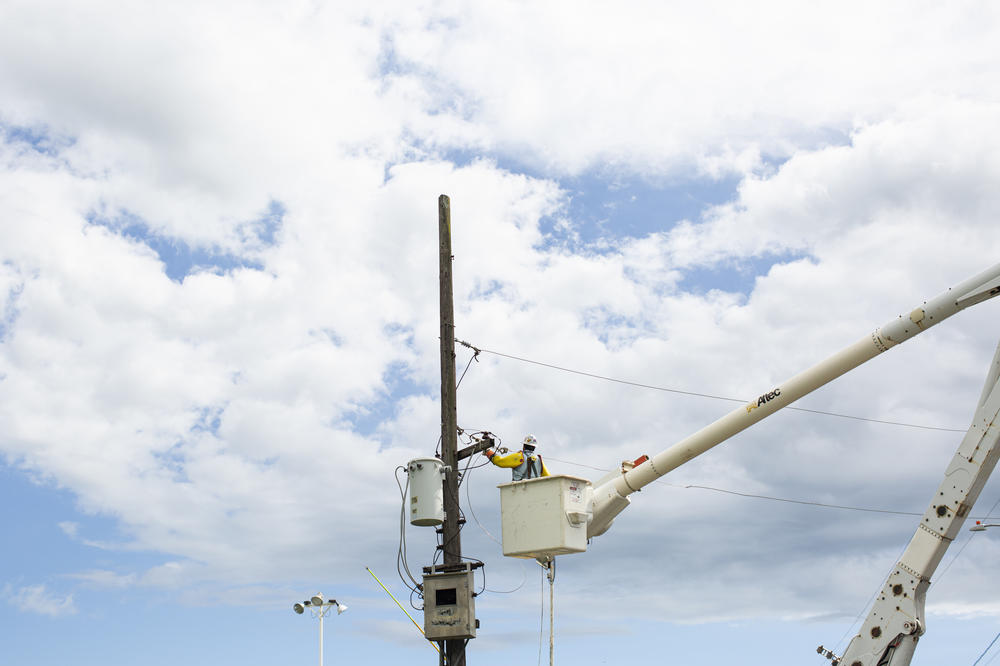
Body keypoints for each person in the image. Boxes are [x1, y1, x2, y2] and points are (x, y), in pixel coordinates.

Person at [485, 434, 550, 481]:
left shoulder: (519, 456)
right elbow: (548, 477)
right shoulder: (539, 460)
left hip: (520, 490)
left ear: (524, 445)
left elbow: (500, 462)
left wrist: (488, 451)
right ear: (534, 447)